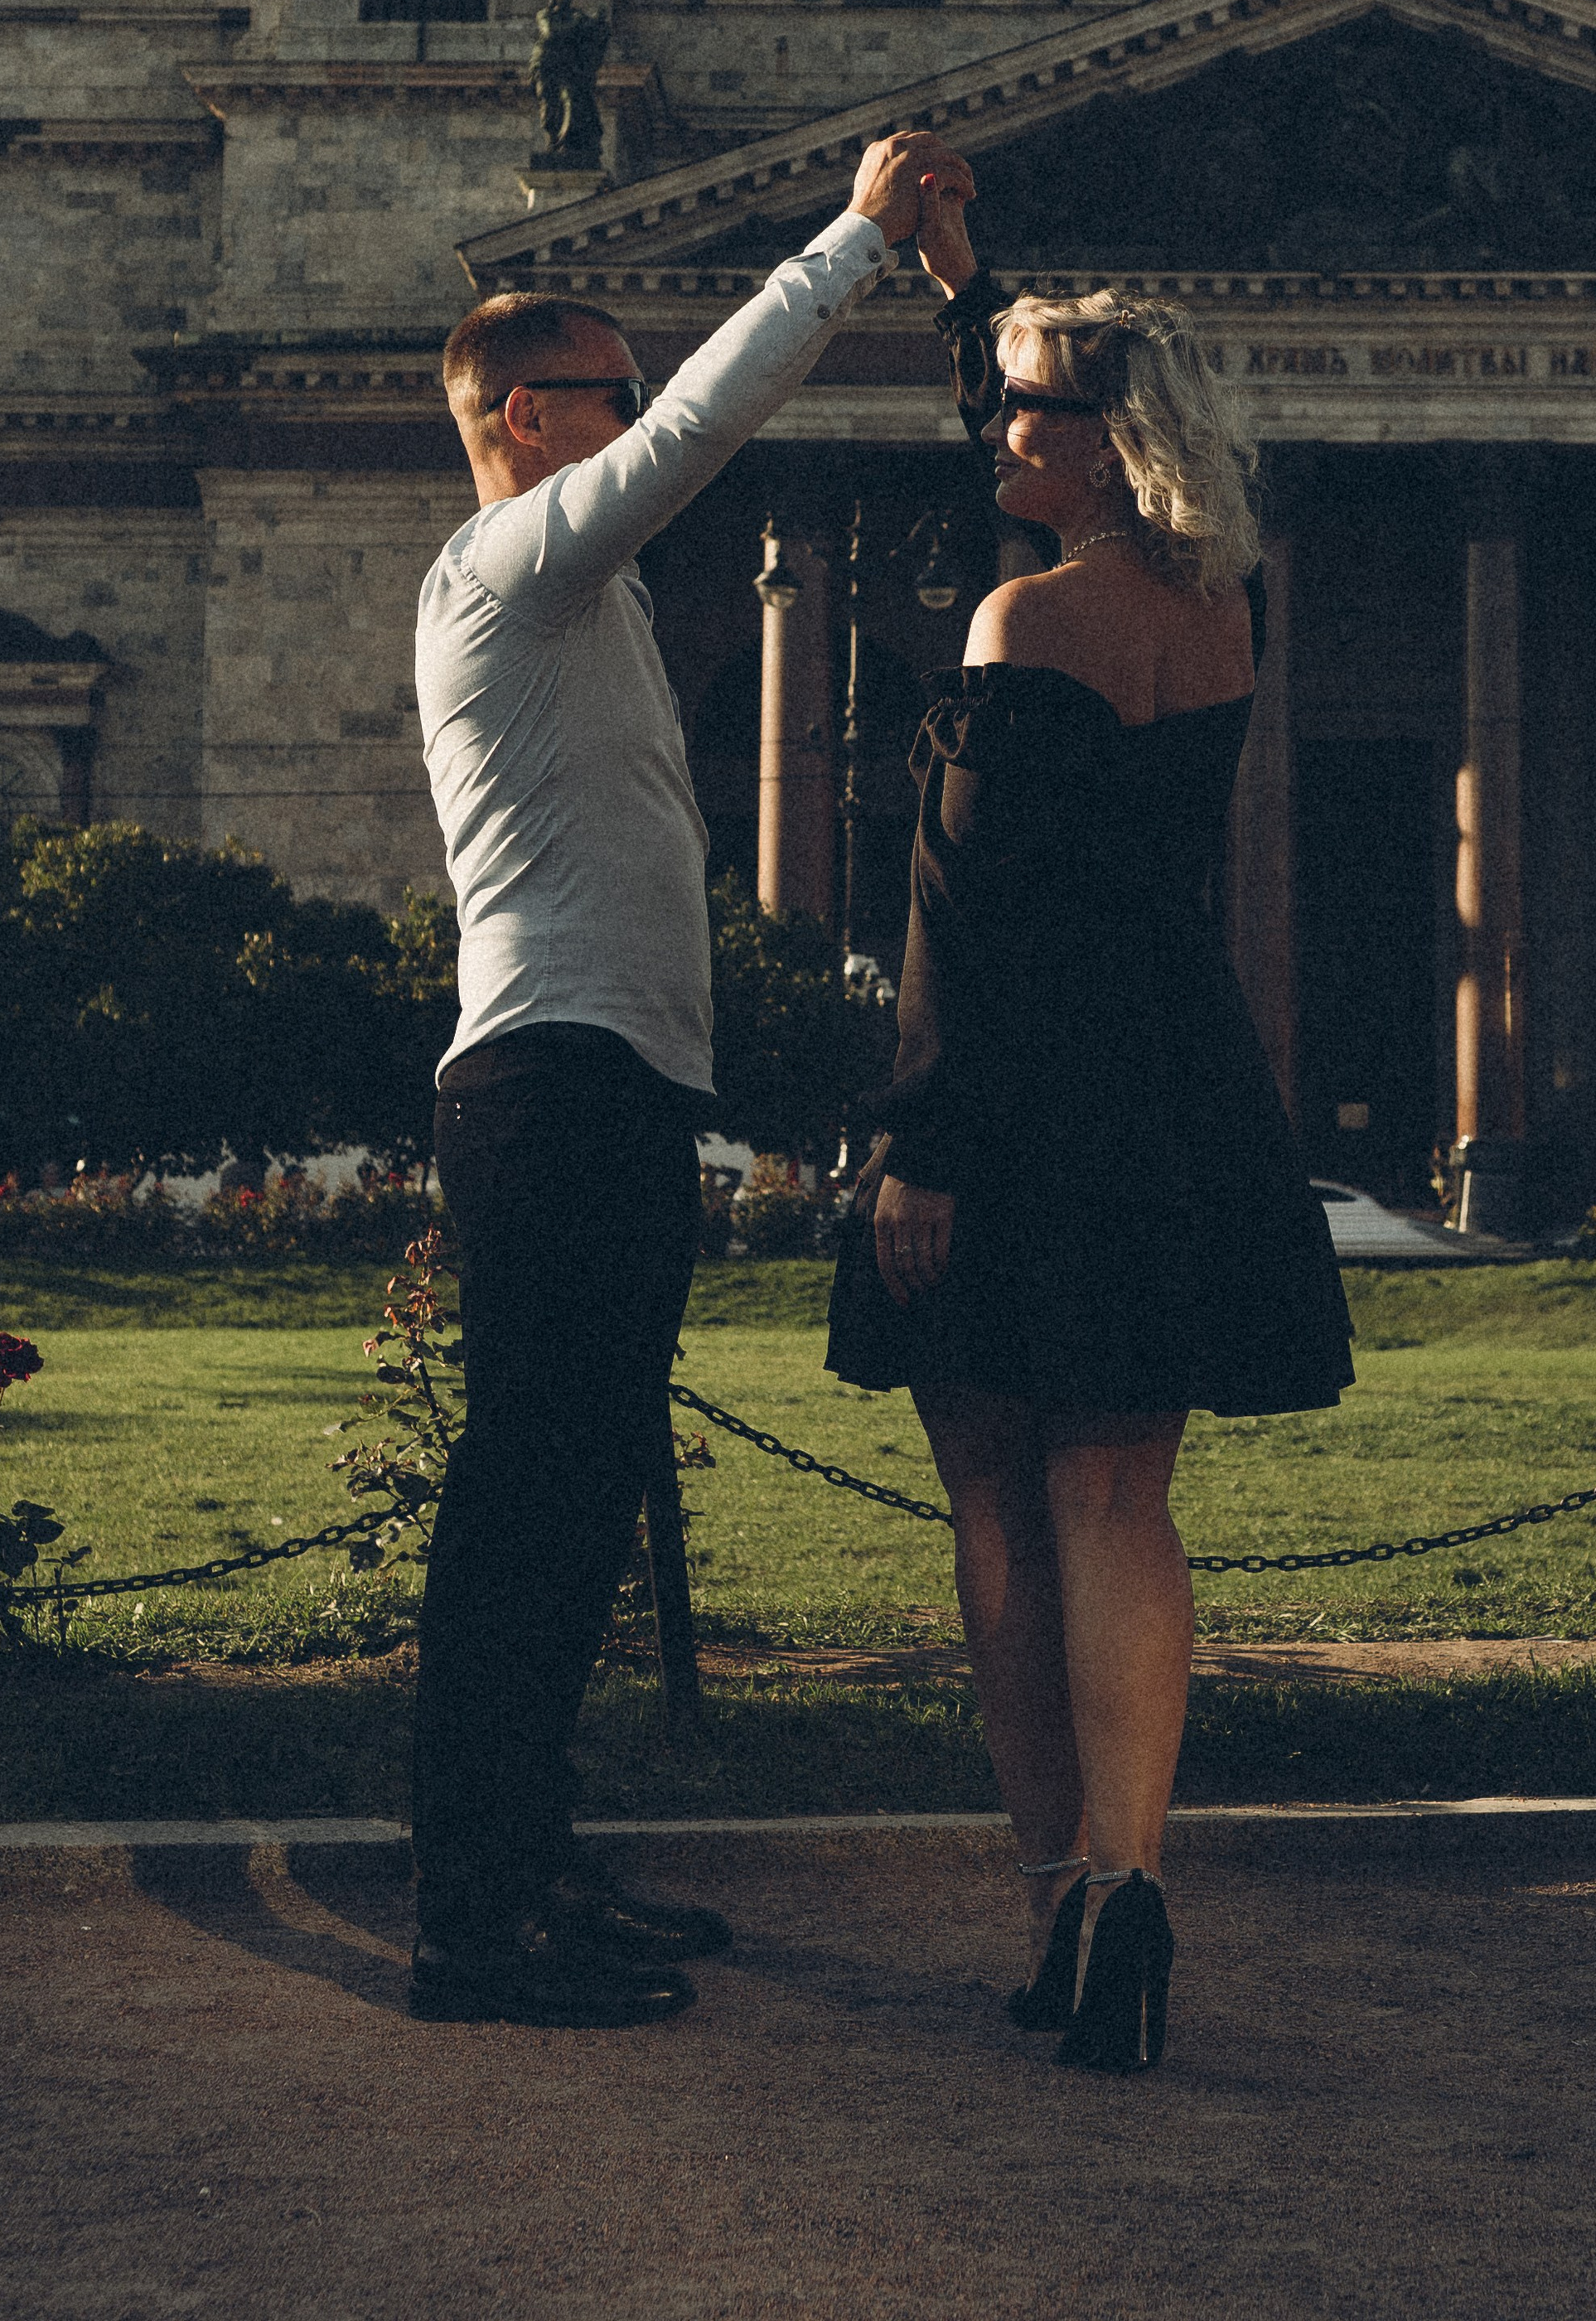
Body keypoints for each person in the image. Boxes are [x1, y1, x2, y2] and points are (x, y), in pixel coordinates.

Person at [410, 130, 952, 2028]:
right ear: (522, 417)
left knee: (572, 1507)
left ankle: (532, 1867)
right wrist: (852, 245)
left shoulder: (586, 601)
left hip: (608, 1086)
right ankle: (473, 1918)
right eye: (612, 396)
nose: (637, 421)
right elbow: (695, 442)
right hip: (551, 1087)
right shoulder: (508, 564)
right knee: (527, 1509)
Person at [826, 177, 1353, 2074]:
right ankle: (1130, 1889)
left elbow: (961, 925)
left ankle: (1049, 1886)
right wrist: (977, 298)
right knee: (1120, 1496)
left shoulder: (1021, 619)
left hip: (1017, 1108)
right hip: (1179, 1093)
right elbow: (1033, 390)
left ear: (1109, 444)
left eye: (1025, 413)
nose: (993, 431)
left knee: (994, 1495)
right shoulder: (1229, 605)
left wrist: (919, 1146)